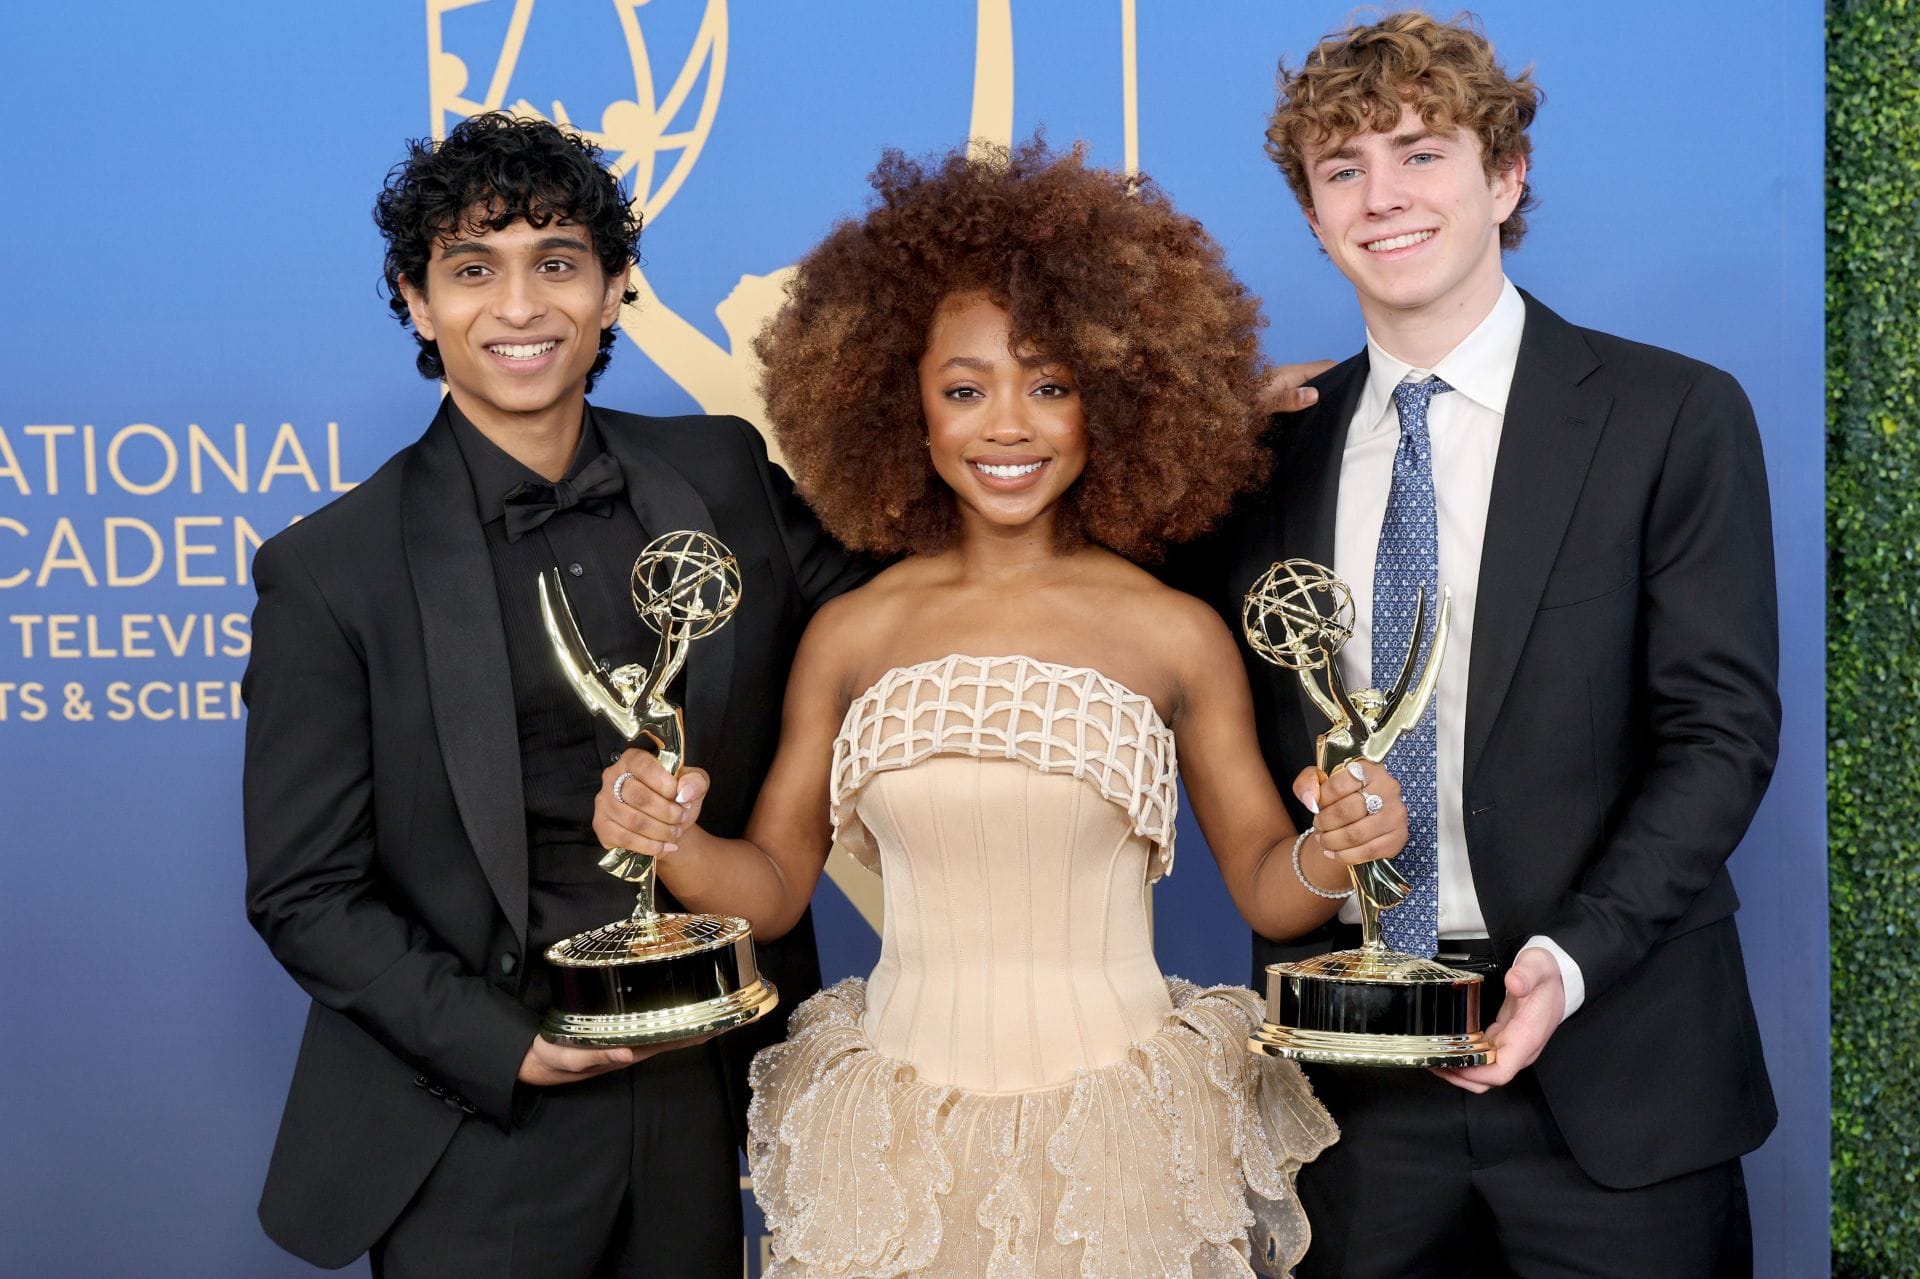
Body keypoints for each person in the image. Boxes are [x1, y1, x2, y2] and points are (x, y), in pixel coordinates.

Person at [595, 140, 1402, 1278]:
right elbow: (772, 887)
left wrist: (1335, 848)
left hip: (1118, 1144)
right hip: (897, 1143)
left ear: (1119, 398)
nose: (1007, 425)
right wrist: (668, 839)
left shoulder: (1173, 632)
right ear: (899, 407)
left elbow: (1270, 879)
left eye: (1051, 384)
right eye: (965, 389)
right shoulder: (853, 634)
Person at [1179, 12, 1780, 1276]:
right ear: (1310, 214)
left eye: (1421, 154)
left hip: (1614, 1072)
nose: (1383, 198)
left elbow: (1719, 736)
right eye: (1343, 170)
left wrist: (1567, 964)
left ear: (1504, 179)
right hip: (1352, 1094)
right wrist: (1182, 434)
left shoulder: (1670, 415)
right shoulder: (1251, 455)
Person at [242, 113, 863, 1276]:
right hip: (474, 1118)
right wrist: (510, 1046)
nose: (521, 307)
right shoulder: (332, 569)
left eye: (558, 263)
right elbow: (304, 890)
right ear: (417, 301)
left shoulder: (722, 473)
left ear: (617, 288)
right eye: (473, 269)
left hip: (697, 1093)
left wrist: (1198, 447)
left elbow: (926, 599)